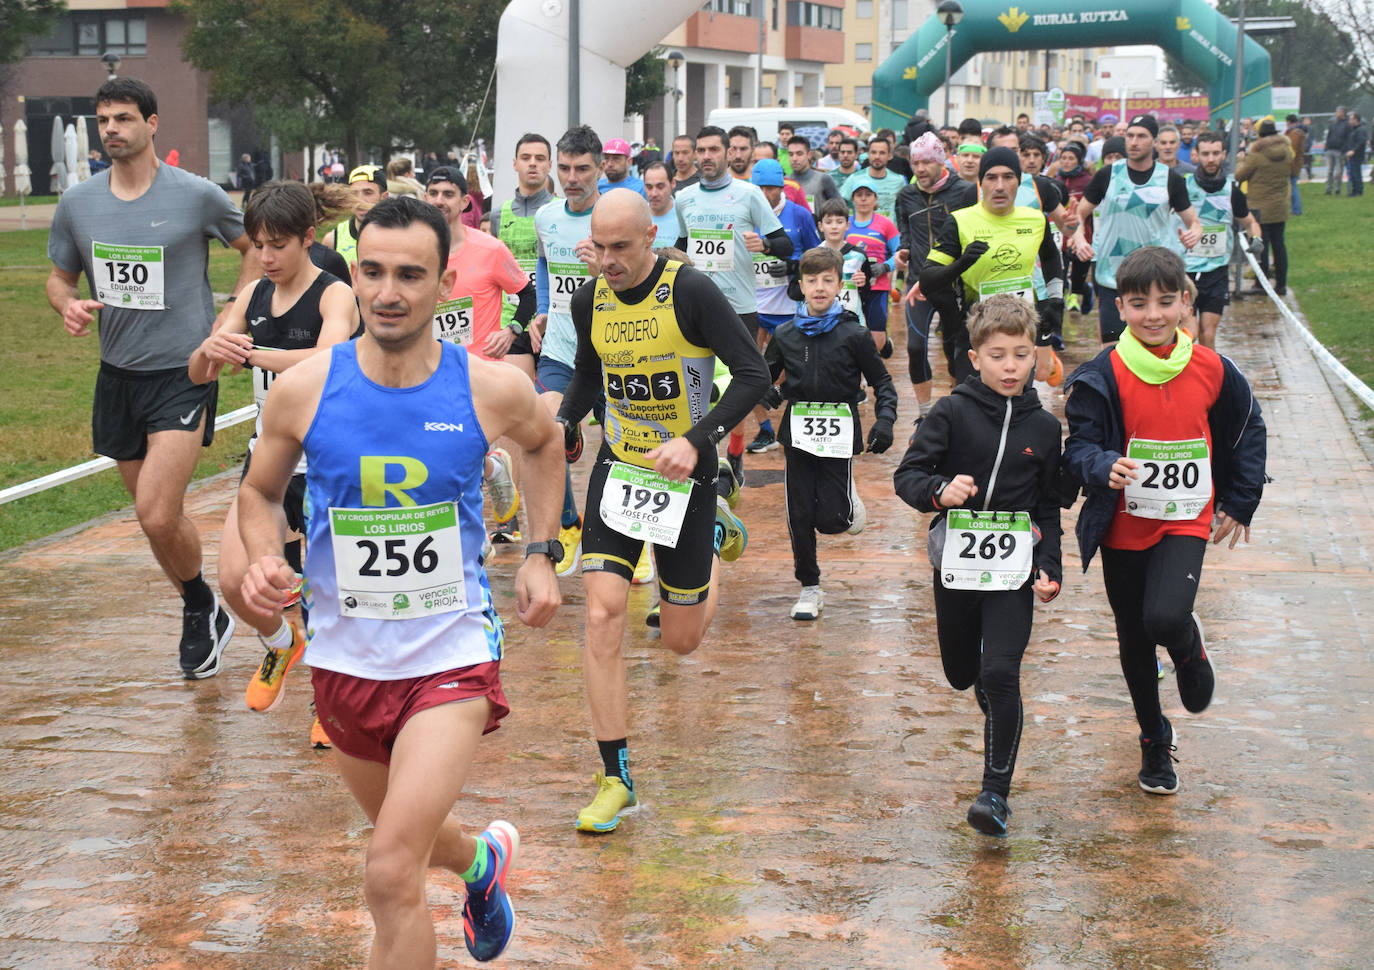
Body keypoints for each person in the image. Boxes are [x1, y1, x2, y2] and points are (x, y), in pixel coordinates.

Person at [237, 195, 564, 968]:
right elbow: (256, 493)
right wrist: (260, 556)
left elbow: (546, 446)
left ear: (445, 283)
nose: (388, 292)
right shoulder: (306, 388)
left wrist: (543, 551)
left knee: (390, 873)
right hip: (344, 664)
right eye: (374, 272)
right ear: (355, 272)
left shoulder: (487, 388)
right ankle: (481, 863)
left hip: (449, 657)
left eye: (410, 275)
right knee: (410, 842)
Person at [554, 191, 766, 833]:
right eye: (599, 246)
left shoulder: (692, 291)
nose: (609, 261)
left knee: (681, 641)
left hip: (687, 474)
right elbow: (590, 375)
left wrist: (697, 440)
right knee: (602, 613)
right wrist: (563, 415)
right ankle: (615, 775)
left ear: (651, 235)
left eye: (622, 247)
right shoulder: (589, 297)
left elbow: (753, 375)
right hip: (620, 469)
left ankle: (714, 536)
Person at [46, 77, 260, 679]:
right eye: (103, 120)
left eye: (123, 118)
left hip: (184, 371)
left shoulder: (196, 195)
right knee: (153, 519)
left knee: (157, 512)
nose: (111, 129)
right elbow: (60, 276)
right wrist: (65, 302)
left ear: (152, 123)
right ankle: (204, 608)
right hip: (117, 375)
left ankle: (198, 608)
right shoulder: (79, 203)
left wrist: (231, 314)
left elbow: (251, 247)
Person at [1061, 245, 1266, 797]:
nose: (1153, 314)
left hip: (1186, 517)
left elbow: (1249, 428)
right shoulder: (1100, 373)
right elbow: (1077, 446)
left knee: (1164, 615)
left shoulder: (1214, 368)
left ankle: (1188, 642)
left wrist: (1240, 501)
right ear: (1119, 309)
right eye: (1138, 303)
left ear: (1184, 303)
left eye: (1165, 302)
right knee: (1133, 637)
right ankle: (1154, 739)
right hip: (1123, 522)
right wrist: (1102, 464)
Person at [186, 181, 358, 715]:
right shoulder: (253, 295)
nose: (265, 257)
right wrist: (210, 348)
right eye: (257, 244)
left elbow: (329, 360)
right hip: (271, 461)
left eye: (277, 245)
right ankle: (283, 645)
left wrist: (257, 354)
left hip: (332, 458)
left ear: (308, 239)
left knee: (339, 594)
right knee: (237, 581)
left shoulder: (334, 293)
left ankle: (334, 707)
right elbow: (198, 372)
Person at [895, 293, 1062, 836]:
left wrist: (1048, 562)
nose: (1010, 366)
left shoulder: (1044, 428)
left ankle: (995, 793)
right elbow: (908, 476)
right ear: (974, 358)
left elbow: (1049, 506)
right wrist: (941, 491)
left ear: (1034, 356)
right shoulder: (950, 411)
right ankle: (996, 712)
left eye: (1020, 354)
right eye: (997, 355)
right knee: (963, 672)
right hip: (956, 565)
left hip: (1013, 568)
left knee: (1001, 671)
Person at [764, 245, 896, 621]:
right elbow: (760, 374)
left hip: (839, 432)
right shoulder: (786, 334)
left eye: (827, 280)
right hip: (798, 433)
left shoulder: (854, 334)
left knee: (832, 519)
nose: (819, 287)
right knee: (799, 512)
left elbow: (882, 383)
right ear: (801, 286)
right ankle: (810, 587)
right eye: (811, 281)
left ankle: (848, 503)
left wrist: (884, 420)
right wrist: (767, 392)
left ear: (839, 284)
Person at [676, 125, 793, 461]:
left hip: (738, 305)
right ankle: (698, 449)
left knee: (739, 382)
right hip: (695, 305)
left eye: (714, 149)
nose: (706, 157)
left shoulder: (750, 194)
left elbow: (785, 244)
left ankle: (735, 447)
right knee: (695, 382)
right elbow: (683, 247)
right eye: (701, 150)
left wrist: (766, 243)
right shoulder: (684, 198)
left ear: (728, 153)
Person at [919, 147, 1065, 403]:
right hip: (976, 331)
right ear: (980, 183)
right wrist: (962, 263)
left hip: (1020, 331)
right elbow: (928, 280)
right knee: (972, 409)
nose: (1000, 186)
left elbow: (1052, 258)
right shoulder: (960, 221)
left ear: (1019, 181)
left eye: (1008, 177)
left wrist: (1055, 301)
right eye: (991, 177)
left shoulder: (1035, 220)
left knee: (1016, 405)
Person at [533, 125, 610, 575]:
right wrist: (543, 309)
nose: (572, 177)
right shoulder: (547, 217)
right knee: (548, 429)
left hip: (615, 350)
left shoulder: (615, 215)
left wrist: (604, 268)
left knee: (622, 444)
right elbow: (544, 263)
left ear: (599, 168)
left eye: (582, 168)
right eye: (564, 168)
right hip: (562, 347)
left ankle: (628, 538)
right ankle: (567, 523)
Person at [1069, 114, 1201, 344]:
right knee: (1111, 349)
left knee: (1155, 346)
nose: (1133, 142)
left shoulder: (1170, 179)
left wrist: (1194, 234)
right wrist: (1080, 239)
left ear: (1154, 142)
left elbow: (1194, 223)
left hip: (1156, 277)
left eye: (1141, 136)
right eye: (1130, 136)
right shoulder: (1107, 175)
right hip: (1113, 275)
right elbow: (1079, 214)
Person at [895, 132, 977, 418]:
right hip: (918, 282)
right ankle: (923, 414)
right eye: (915, 163)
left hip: (953, 283)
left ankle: (957, 410)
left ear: (941, 161)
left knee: (955, 351)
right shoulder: (905, 194)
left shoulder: (964, 191)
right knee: (916, 348)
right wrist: (903, 250)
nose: (920, 169)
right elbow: (904, 229)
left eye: (927, 163)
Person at [424, 165, 536, 361]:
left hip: (480, 369)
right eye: (433, 193)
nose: (439, 201)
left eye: (448, 194)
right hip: (432, 367)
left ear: (464, 202)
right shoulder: (414, 250)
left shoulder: (491, 249)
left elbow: (529, 295)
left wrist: (512, 330)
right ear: (425, 199)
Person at [1181, 131, 1262, 348]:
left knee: (1208, 335)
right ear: (1195, 155)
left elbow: (1250, 222)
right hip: (1185, 271)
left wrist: (1257, 239)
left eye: (1216, 153)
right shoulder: (1183, 187)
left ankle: (1209, 380)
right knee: (1189, 334)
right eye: (1205, 153)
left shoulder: (1232, 190)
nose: (1210, 159)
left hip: (1216, 271)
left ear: (1223, 154)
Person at [491, 132, 553, 389]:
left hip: (552, 321)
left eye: (540, 158)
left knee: (558, 409)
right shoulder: (498, 215)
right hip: (511, 319)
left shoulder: (560, 210)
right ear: (515, 163)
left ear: (550, 165)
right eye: (526, 157)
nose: (533, 163)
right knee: (518, 399)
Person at [1235, 119, 1295, 296]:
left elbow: (1240, 176)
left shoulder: (1257, 156)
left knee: (1261, 246)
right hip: (1280, 206)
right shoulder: (1287, 153)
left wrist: (1240, 161)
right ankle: (1282, 284)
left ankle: (1261, 284)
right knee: (1279, 245)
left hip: (1260, 207)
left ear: (1259, 135)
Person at [844, 183, 900, 358]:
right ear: (852, 198)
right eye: (859, 194)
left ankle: (873, 369)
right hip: (850, 287)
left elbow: (900, 252)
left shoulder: (886, 224)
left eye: (868, 194)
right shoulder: (845, 224)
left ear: (875, 199)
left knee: (877, 337)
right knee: (849, 333)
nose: (863, 198)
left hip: (878, 286)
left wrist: (885, 266)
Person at [1053, 141, 1094, 315]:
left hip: (1083, 237)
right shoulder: (1055, 181)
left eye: (1071, 158)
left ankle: (1086, 291)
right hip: (1060, 239)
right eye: (1064, 158)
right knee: (1059, 282)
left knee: (1077, 282)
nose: (1067, 162)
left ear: (1079, 161)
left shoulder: (1088, 181)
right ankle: (1057, 323)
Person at [322, 164, 388, 269]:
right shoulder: (333, 239)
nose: (359, 200)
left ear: (384, 197)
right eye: (354, 194)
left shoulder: (396, 236)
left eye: (368, 193)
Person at [841, 136, 903, 221]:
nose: (877, 157)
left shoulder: (899, 180)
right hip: (862, 232)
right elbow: (840, 204)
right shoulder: (854, 179)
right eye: (873, 152)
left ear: (889, 156)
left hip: (889, 232)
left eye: (882, 153)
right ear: (868, 155)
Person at [787, 135, 841, 213]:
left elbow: (839, 209)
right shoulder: (784, 182)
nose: (794, 159)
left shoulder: (823, 179)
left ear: (809, 155)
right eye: (791, 154)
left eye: (799, 154)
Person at [643, 160, 687, 244]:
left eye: (660, 187)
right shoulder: (638, 215)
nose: (654, 193)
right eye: (649, 187)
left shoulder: (684, 215)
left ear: (673, 183)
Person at [1324, 107, 1350, 196]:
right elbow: (1329, 135)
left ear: (1342, 113)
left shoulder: (1347, 124)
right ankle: (1328, 189)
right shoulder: (1333, 123)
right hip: (1330, 150)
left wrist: (1343, 150)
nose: (1336, 113)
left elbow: (1348, 139)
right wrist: (1326, 147)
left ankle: (1337, 189)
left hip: (1340, 151)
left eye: (1337, 112)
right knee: (1329, 170)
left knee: (1339, 171)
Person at [1284, 115, 1307, 214]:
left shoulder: (1294, 133)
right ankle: (1295, 209)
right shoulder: (1298, 132)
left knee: (1292, 186)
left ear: (1289, 122)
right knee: (1292, 185)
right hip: (1295, 163)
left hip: (1292, 163)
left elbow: (1291, 150)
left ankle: (1296, 210)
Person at [1345, 112, 1368, 196]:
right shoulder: (1353, 130)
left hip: (1357, 155)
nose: (1349, 121)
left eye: (1351, 119)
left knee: (1356, 173)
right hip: (1351, 155)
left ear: (1356, 120)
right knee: (1353, 173)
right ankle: (1354, 190)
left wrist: (1353, 150)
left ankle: (1358, 191)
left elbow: (1361, 142)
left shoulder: (1360, 130)